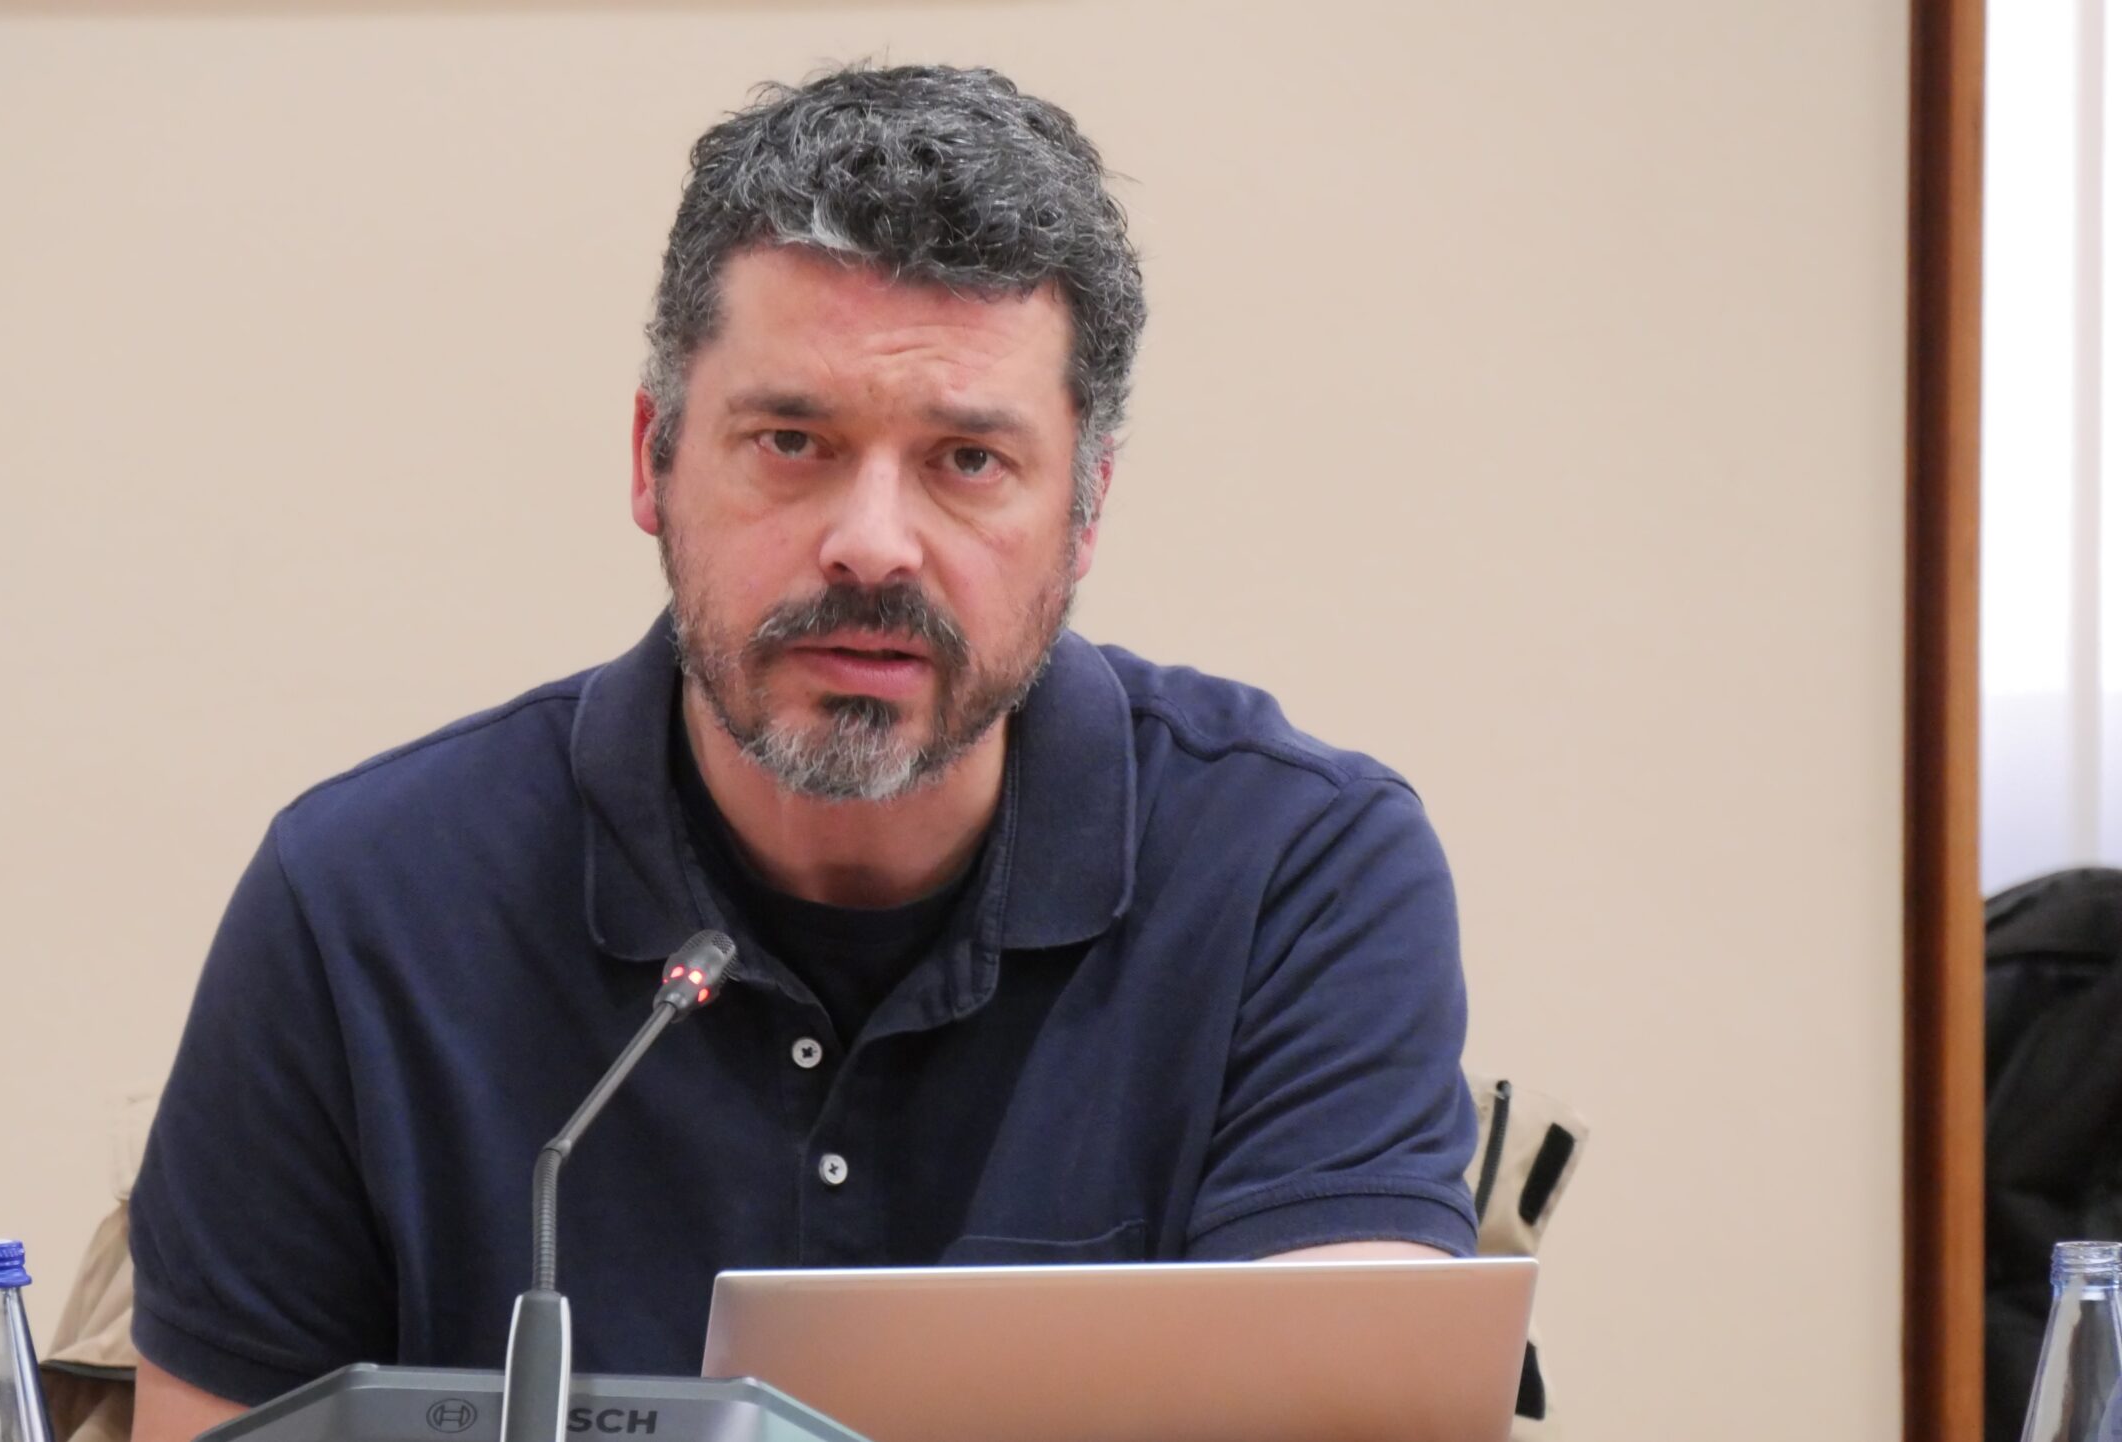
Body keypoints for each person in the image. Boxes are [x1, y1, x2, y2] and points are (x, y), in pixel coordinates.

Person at [128, 62, 1478, 1442]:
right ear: (654, 458)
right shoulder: (362, 901)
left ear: (1085, 511)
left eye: (967, 460)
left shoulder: (1299, 878)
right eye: (792, 440)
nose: (872, 545)